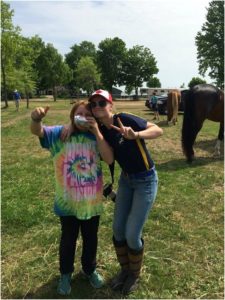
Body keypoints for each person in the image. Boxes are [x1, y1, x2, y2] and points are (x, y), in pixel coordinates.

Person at [30, 101, 113, 296]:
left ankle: (89, 270)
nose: (82, 117)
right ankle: (65, 274)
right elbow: (38, 131)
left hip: (92, 203)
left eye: (87, 114)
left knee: (91, 238)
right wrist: (36, 119)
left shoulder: (98, 136)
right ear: (72, 116)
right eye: (79, 113)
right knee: (68, 239)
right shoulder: (60, 134)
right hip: (67, 203)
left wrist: (97, 133)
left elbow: (109, 159)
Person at [88, 89, 163, 294]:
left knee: (131, 234)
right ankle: (124, 270)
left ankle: (134, 275)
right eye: (93, 105)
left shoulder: (124, 119)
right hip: (126, 181)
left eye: (101, 103)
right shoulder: (100, 132)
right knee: (118, 230)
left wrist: (136, 134)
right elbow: (110, 160)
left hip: (146, 180)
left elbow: (158, 130)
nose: (97, 107)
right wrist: (95, 132)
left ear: (111, 105)